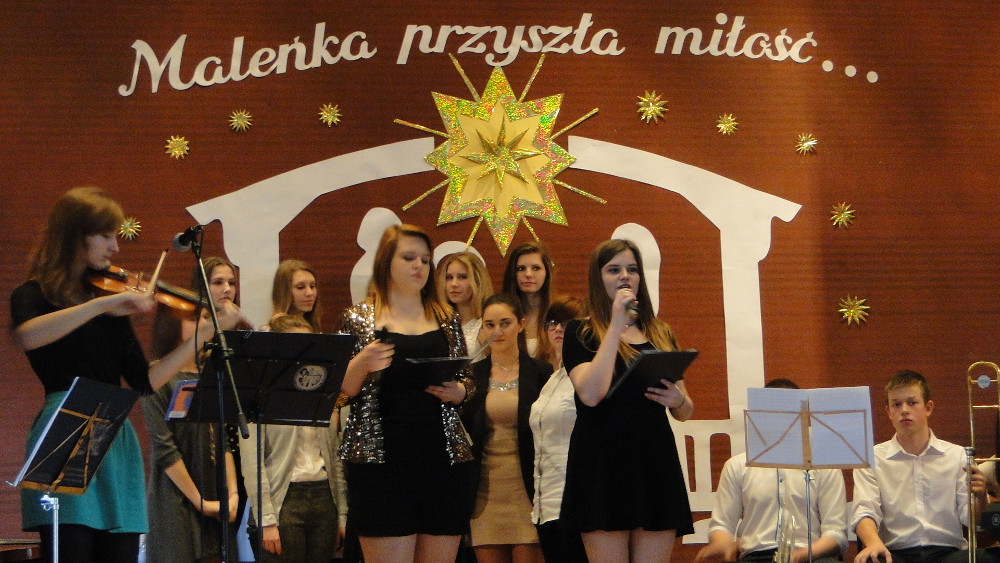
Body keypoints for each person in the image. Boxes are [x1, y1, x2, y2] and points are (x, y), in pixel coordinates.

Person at [10, 187, 243, 563]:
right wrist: (104, 303)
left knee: (121, 550)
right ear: (75, 235)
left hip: (114, 431)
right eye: (105, 236)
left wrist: (202, 335)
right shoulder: (34, 294)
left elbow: (144, 381)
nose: (115, 247)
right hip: (66, 424)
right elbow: (28, 335)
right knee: (71, 546)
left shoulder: (112, 307)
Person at [338, 223, 476, 563]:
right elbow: (339, 394)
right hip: (382, 464)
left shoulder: (445, 317)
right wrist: (361, 362)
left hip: (441, 460)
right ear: (386, 262)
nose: (419, 266)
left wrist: (459, 391)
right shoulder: (358, 318)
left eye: (426, 260)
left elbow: (468, 380)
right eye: (409, 258)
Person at [561, 238, 695, 562]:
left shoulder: (660, 332)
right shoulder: (580, 332)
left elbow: (685, 411)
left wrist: (677, 399)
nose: (624, 276)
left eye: (632, 269)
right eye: (614, 269)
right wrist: (615, 325)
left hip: (654, 460)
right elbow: (591, 394)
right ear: (598, 278)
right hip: (602, 463)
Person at [142, 256, 243, 563]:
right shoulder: (158, 375)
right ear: (174, 323)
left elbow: (223, 440)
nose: (206, 326)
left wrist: (232, 493)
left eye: (208, 319)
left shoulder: (212, 373)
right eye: (196, 319)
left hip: (216, 496)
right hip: (177, 499)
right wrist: (200, 501)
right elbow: (165, 448)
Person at [852, 370, 999, 563]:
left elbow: (972, 521)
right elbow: (865, 511)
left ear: (928, 407)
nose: (904, 410)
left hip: (948, 554)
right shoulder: (871, 458)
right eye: (896, 404)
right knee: (872, 560)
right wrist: (873, 543)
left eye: (912, 402)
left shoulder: (958, 455)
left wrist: (980, 497)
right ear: (888, 412)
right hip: (896, 553)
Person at [695, 378, 847, 563]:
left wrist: (803, 555)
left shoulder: (825, 465)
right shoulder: (737, 465)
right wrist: (722, 543)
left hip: (811, 555)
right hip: (755, 556)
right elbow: (722, 524)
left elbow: (836, 533)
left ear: (803, 415)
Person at [240, 314, 348, 563]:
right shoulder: (259, 394)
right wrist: (266, 520)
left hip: (323, 498)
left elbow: (334, 457)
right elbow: (252, 463)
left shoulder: (322, 391)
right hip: (284, 500)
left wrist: (342, 515)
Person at [462, 293, 552, 563]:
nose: (497, 332)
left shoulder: (541, 372)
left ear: (521, 325)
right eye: (489, 325)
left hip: (529, 490)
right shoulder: (471, 375)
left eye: (505, 323)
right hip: (484, 493)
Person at [528, 295, 588, 562]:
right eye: (551, 322)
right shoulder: (551, 379)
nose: (557, 329)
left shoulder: (589, 377)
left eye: (566, 322)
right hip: (545, 505)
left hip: (576, 500)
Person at [501, 240, 554, 360]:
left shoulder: (558, 314)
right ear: (513, 274)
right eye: (521, 268)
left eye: (536, 268)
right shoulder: (501, 316)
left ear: (547, 272)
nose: (528, 274)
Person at [436, 251, 494, 356]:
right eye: (449, 277)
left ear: (477, 280)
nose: (454, 284)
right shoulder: (438, 322)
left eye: (462, 277)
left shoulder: (488, 324)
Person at [268, 259, 322, 332]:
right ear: (283, 291)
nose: (310, 293)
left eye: (312, 286)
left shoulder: (312, 323)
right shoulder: (279, 329)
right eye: (300, 287)